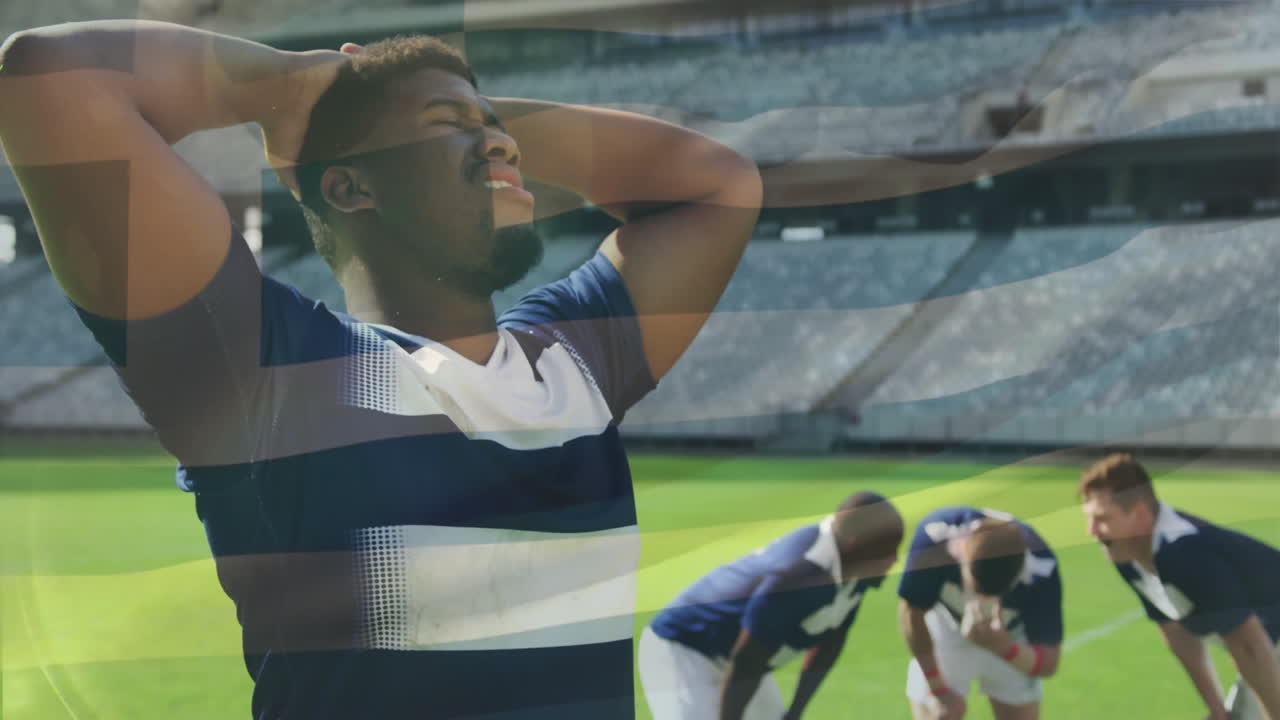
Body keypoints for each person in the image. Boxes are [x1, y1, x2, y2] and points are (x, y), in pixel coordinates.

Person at [0, 21, 760, 719]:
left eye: (500, 132)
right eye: (447, 128)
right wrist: (296, 91)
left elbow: (715, 184)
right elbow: (48, 79)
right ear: (351, 187)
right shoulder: (273, 374)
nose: (505, 146)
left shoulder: (572, 366)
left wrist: (455, 118)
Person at [640, 491, 903, 720]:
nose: (893, 561)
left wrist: (795, 711)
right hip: (684, 647)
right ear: (854, 545)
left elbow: (830, 643)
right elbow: (746, 662)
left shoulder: (855, 568)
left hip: (740, 657)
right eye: (887, 551)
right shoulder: (801, 575)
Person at [1080, 453, 1280, 720]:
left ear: (1140, 514)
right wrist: (1216, 708)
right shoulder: (1126, 553)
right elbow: (1176, 631)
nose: (1091, 531)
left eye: (1102, 518)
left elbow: (1248, 645)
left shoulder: (1183, 551)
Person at [897, 506, 1063, 720]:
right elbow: (911, 613)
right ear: (960, 551)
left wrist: (1003, 647)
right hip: (947, 626)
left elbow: (1049, 663)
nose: (985, 601)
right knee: (939, 714)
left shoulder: (1041, 568)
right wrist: (938, 689)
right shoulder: (935, 540)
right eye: (978, 587)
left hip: (1010, 636)